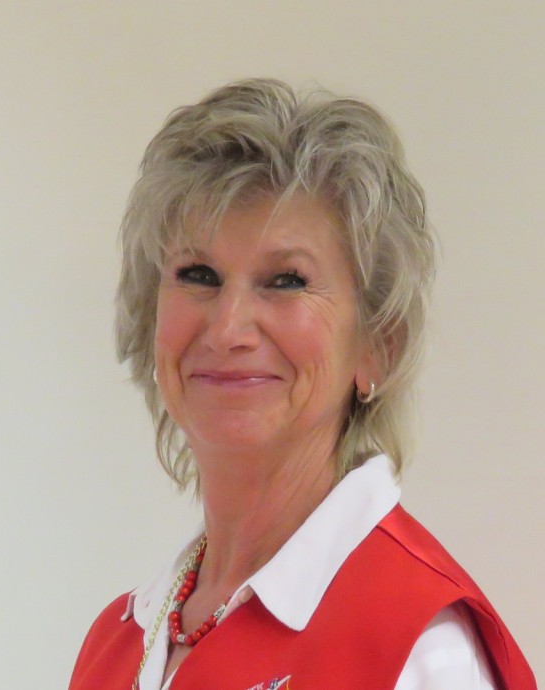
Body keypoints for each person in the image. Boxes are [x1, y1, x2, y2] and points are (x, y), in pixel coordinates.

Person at [68, 79, 536, 690]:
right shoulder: (117, 644)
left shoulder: (419, 648)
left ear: (378, 345)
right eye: (198, 274)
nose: (228, 329)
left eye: (286, 280)